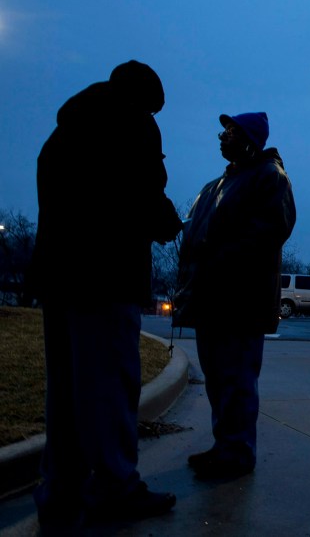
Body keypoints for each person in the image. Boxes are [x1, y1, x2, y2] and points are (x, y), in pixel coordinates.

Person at [29, 60, 183, 528]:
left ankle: (61, 488)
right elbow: (142, 193)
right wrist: (168, 222)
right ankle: (115, 486)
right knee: (111, 386)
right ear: (144, 100)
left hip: (60, 277)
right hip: (107, 275)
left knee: (68, 390)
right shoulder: (130, 124)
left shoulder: (66, 131)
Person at [173, 111, 295, 479]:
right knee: (217, 378)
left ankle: (238, 452)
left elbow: (271, 230)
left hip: (239, 299)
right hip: (210, 298)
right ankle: (223, 445)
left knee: (237, 378)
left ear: (249, 139)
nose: (220, 137)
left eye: (229, 132)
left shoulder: (269, 177)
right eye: (222, 131)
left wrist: (219, 260)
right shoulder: (215, 185)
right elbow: (194, 236)